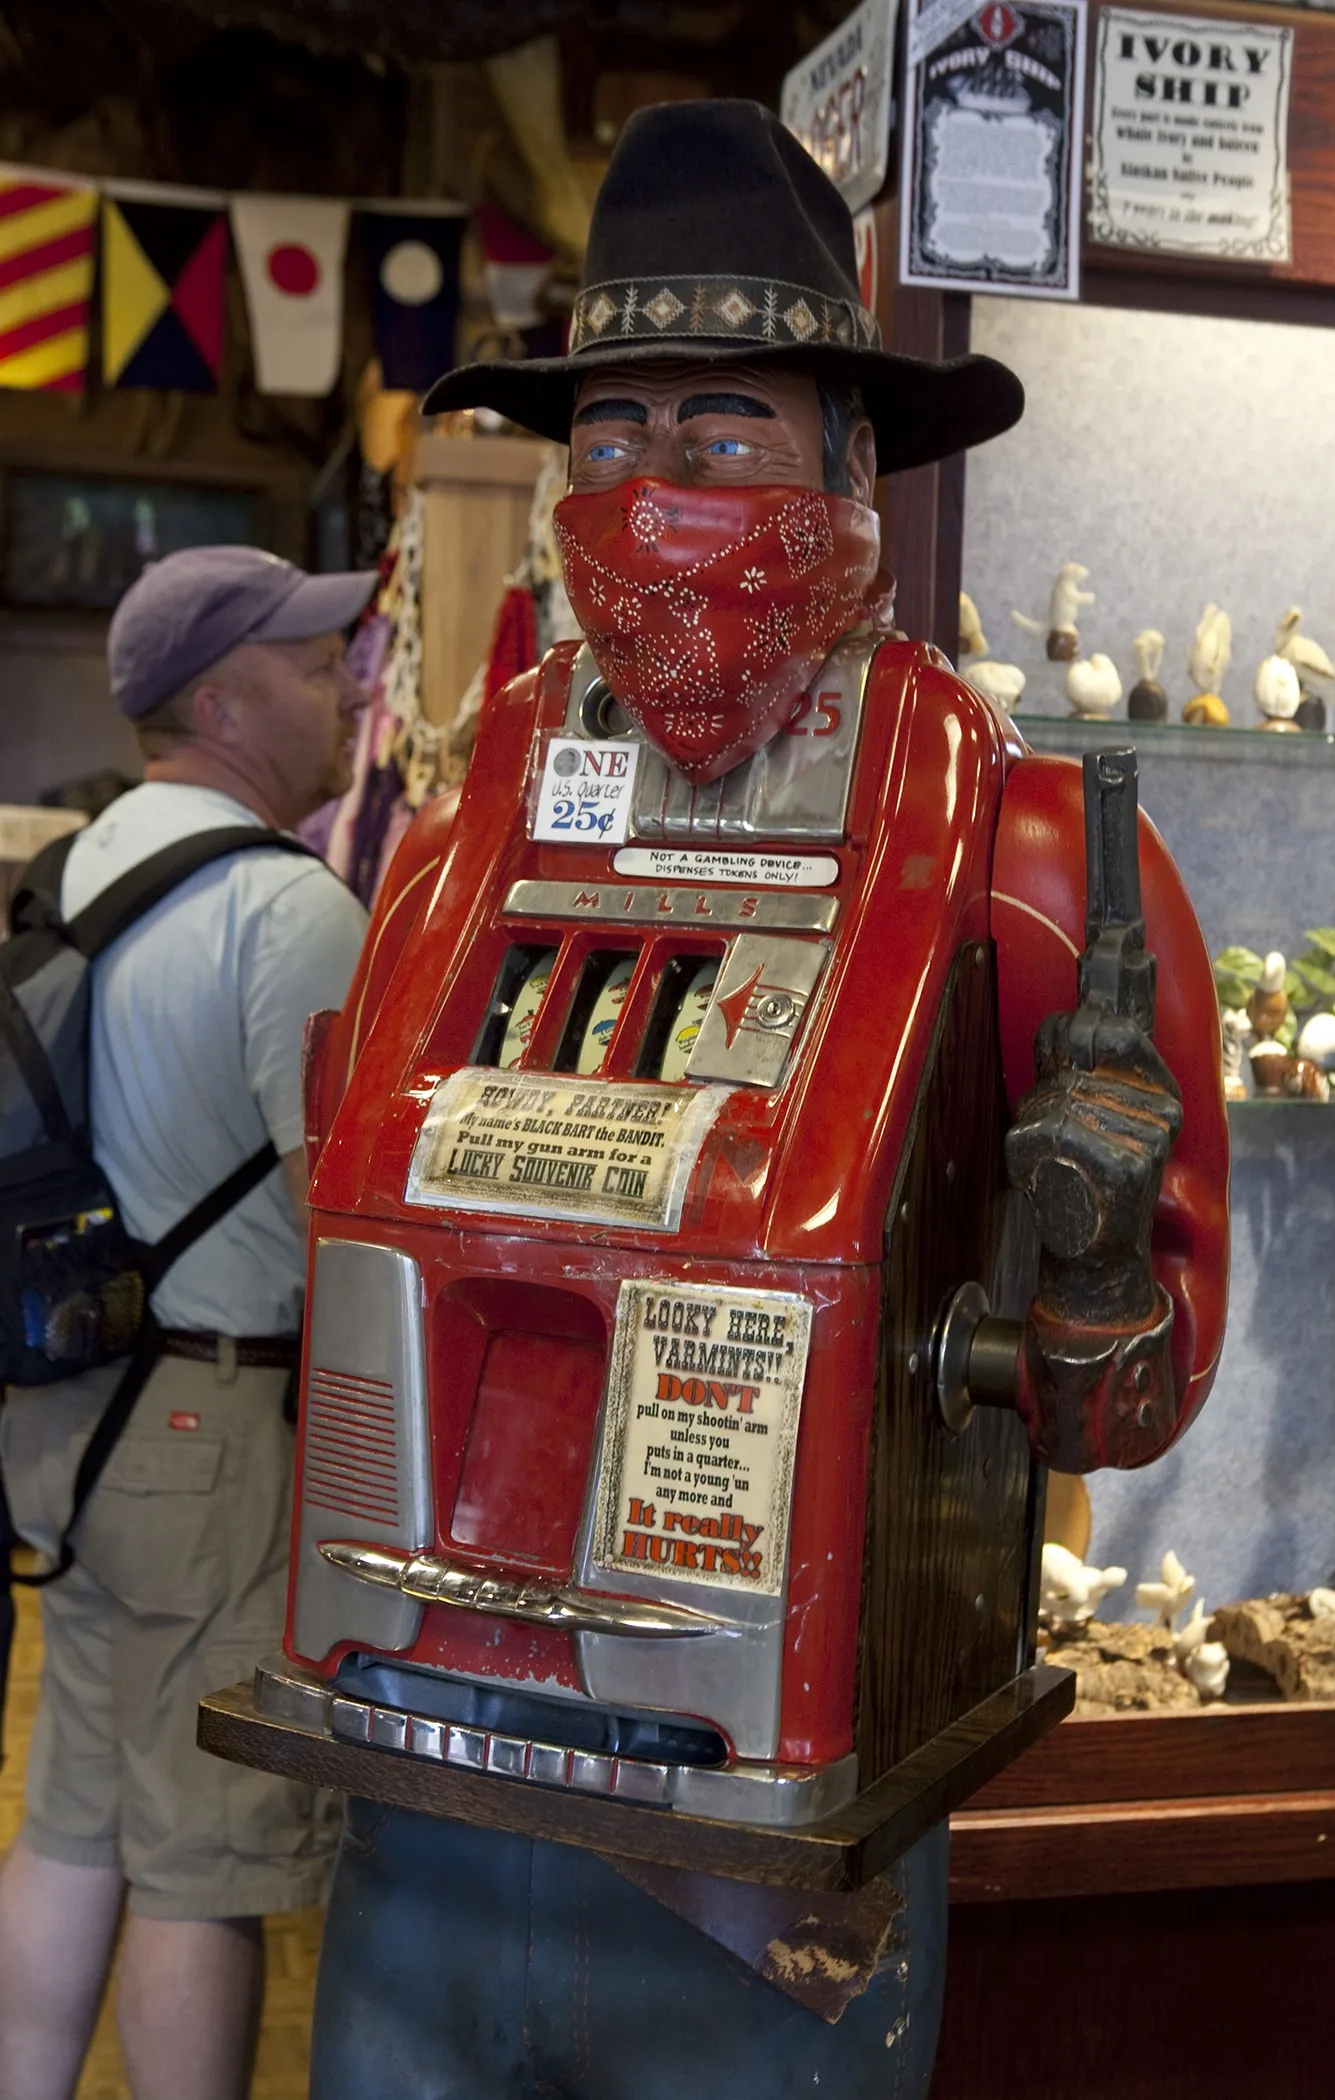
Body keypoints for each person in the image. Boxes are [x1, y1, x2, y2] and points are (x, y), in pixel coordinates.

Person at [282, 102, 1227, 2099]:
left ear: (851, 459)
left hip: (771, 1879)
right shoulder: (473, 821)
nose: (653, 491)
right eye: (606, 441)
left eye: (720, 429)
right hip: (424, 1786)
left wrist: (1080, 1271)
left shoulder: (1036, 860)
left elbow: (1113, 1407)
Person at [0, 546, 376, 2100]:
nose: (351, 684)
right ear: (222, 698)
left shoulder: (66, 872)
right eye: (315, 660)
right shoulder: (290, 908)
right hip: (210, 1428)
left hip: (63, 1405)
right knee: (204, 1859)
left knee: (75, 1812)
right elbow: (346, 1208)